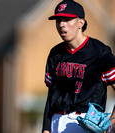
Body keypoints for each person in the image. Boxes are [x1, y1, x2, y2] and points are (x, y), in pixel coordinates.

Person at [42, 0, 115, 133]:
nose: (61, 25)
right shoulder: (55, 54)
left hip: (86, 122)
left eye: (67, 19)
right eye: (58, 20)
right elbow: (51, 95)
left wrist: (111, 122)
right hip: (56, 120)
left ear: (81, 22)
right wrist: (46, 128)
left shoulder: (100, 52)